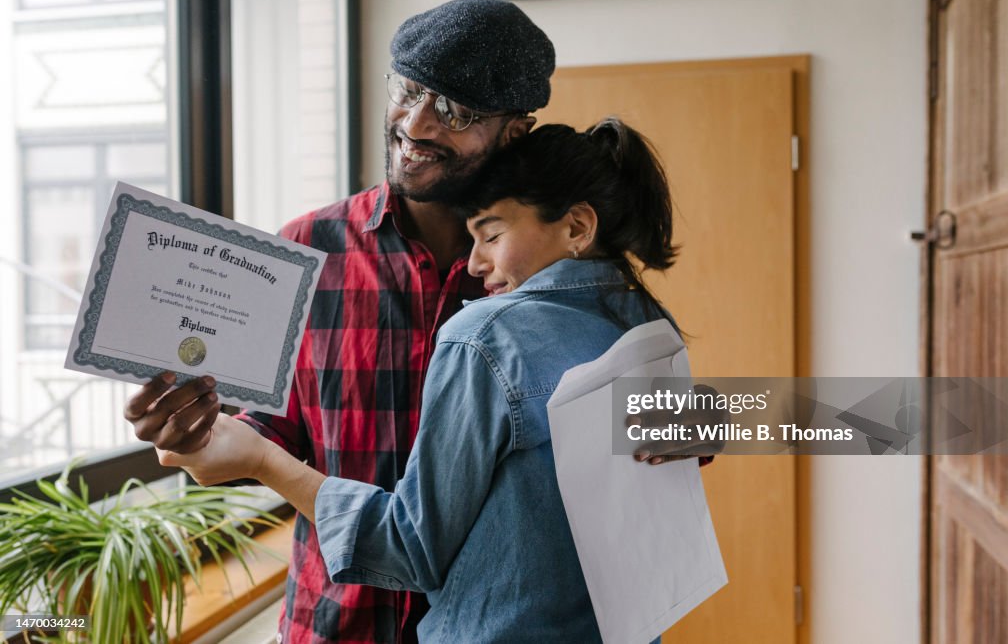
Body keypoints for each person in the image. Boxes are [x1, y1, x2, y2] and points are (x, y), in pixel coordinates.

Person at [159, 117, 697, 642]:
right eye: (408, 92)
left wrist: (258, 459)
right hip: (346, 619)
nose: (476, 264)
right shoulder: (647, 318)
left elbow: (409, 549)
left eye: (491, 235)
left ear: (577, 227)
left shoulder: (486, 334)